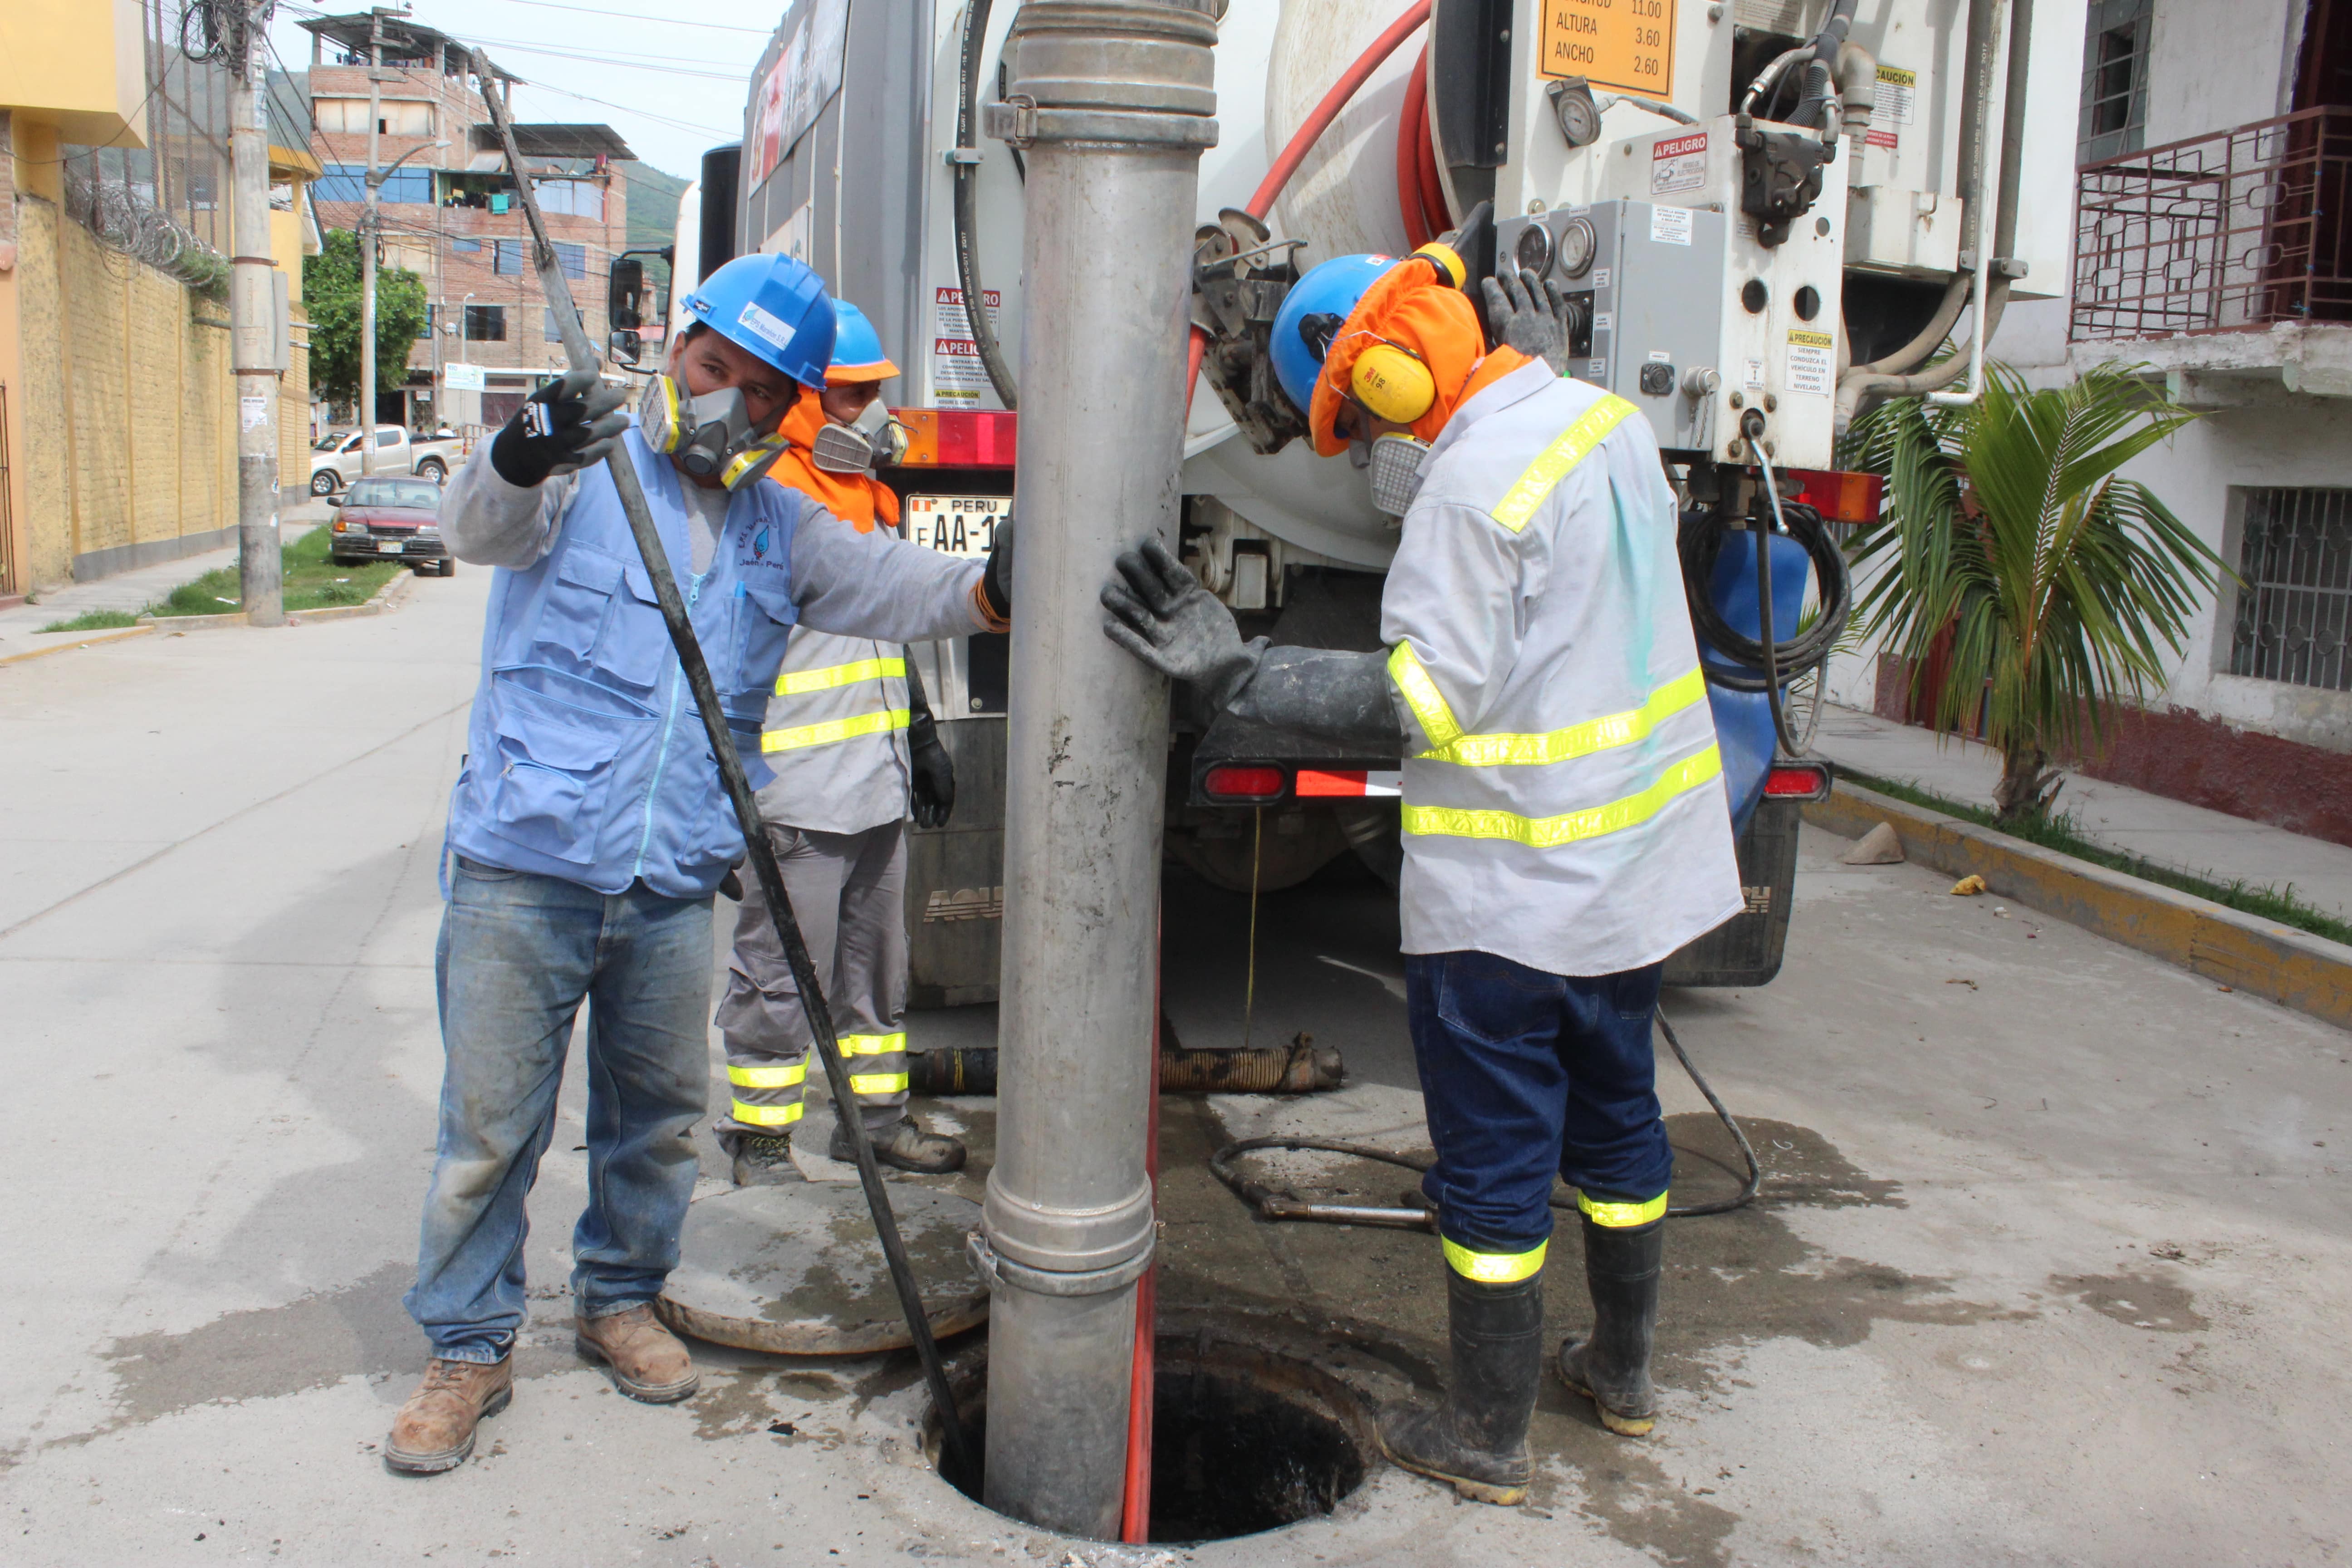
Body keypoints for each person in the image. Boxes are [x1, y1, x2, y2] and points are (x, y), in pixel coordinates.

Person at [1098, 241, 1741, 1505]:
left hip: (1513, 904)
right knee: (1619, 1132)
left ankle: (1487, 1439)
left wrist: (1238, 674)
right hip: (1634, 882)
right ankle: (1624, 1377)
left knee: (1496, 1169)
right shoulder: (1603, 422)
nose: (1359, 453)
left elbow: (1424, 706)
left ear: (1392, 378)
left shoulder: (1466, 488)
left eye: (1352, 421)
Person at [384, 253, 1012, 1478]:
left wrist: (998, 588)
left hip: (670, 878)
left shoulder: (783, 526)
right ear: (679, 349)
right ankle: (468, 1346)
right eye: (716, 369)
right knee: (488, 1130)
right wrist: (526, 446)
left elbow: (900, 587)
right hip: (527, 862)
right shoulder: (586, 468)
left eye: (768, 393)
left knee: (657, 1122)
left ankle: (621, 1299)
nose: (733, 403)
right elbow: (472, 528)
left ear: (797, 410)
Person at [715, 300, 966, 1181]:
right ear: (801, 400)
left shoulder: (870, 500)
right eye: (852, 397)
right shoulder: (764, 508)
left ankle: (875, 1122)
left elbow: (886, 633)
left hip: (873, 790)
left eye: (874, 396)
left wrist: (924, 735)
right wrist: (717, 798)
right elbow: (717, 664)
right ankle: (760, 1140)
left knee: (876, 977)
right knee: (779, 979)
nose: (874, 416)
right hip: (797, 799)